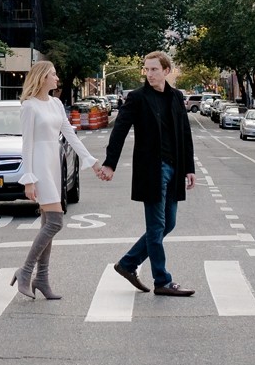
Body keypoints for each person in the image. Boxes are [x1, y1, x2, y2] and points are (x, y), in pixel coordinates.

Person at [101, 51, 196, 297]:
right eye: (147, 69)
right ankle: (162, 280)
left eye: (154, 69)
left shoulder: (176, 97)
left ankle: (128, 263)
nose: (150, 74)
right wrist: (110, 163)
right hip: (151, 170)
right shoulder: (138, 98)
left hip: (173, 169)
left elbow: (185, 133)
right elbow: (119, 130)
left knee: (169, 223)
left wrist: (189, 168)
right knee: (156, 226)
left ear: (166, 71)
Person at [15, 61, 105, 300]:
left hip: (55, 164)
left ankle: (41, 279)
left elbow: (70, 135)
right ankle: (25, 272)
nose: (57, 79)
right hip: (40, 167)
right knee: (55, 222)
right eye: (53, 75)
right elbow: (27, 145)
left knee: (48, 223)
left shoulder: (56, 104)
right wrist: (29, 179)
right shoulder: (29, 107)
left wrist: (92, 162)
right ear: (42, 78)